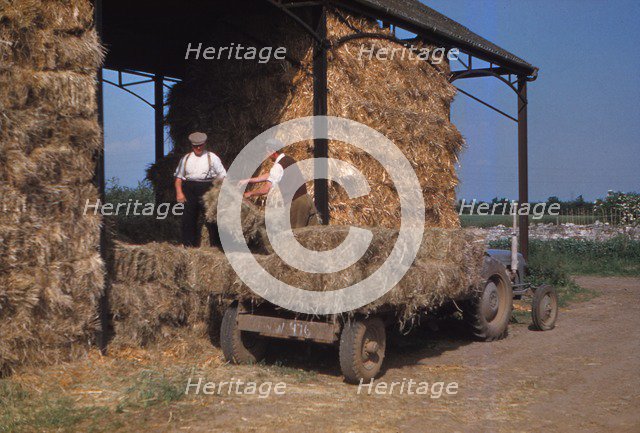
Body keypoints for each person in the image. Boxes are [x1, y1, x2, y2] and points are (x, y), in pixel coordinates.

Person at [239, 139, 318, 229]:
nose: (266, 155)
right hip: (306, 199)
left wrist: (250, 194)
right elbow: (271, 174)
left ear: (272, 151)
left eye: (267, 151)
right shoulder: (288, 159)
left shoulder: (278, 166)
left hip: (296, 204)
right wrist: (249, 180)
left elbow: (266, 189)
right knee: (314, 234)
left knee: (295, 234)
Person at [174, 132, 226, 247]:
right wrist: (179, 193)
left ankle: (216, 247)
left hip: (207, 188)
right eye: (195, 145)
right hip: (189, 189)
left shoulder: (212, 157)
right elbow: (178, 178)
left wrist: (218, 190)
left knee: (211, 218)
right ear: (191, 145)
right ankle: (188, 246)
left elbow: (222, 175)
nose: (198, 147)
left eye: (200, 145)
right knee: (188, 219)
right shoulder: (186, 159)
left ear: (204, 144)